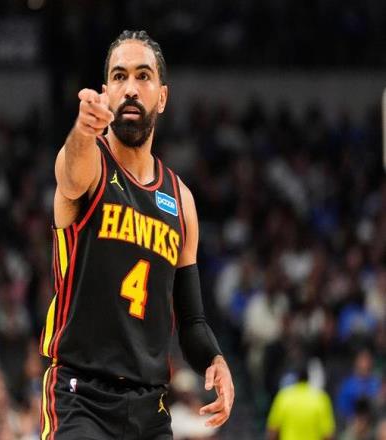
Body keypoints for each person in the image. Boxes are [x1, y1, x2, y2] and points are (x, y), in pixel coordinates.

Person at [39, 30, 234, 439]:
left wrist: (214, 360)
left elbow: (192, 320)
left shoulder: (180, 200)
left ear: (162, 97)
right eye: (119, 76)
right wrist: (82, 131)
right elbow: (70, 174)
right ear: (106, 92)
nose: (130, 88)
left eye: (143, 76)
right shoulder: (90, 161)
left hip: (150, 407)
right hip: (81, 396)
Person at [266, 365, 335, 440]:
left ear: (296, 378)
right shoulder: (320, 398)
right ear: (308, 378)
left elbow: (273, 429)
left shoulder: (284, 396)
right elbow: (328, 434)